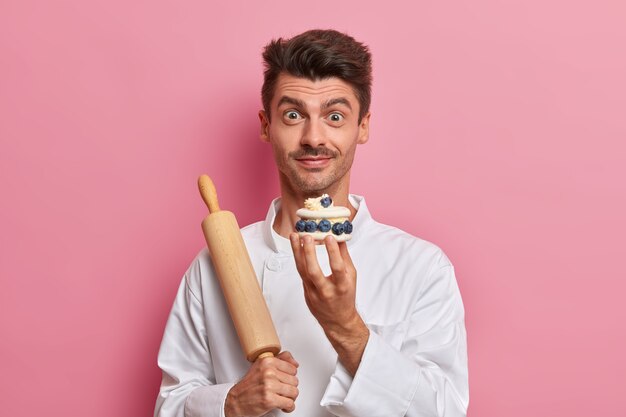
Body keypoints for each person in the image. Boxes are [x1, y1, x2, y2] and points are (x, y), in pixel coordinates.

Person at [155, 29, 468, 417]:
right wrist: (230, 404)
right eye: (292, 115)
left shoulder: (421, 267)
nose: (313, 137)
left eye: (335, 116)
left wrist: (347, 329)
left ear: (363, 127)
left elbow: (445, 410)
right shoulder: (215, 264)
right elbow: (168, 406)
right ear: (267, 125)